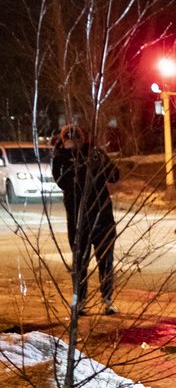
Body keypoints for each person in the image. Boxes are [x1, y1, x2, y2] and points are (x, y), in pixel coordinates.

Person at [51, 125, 120, 316]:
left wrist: (100, 166)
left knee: (105, 260)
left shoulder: (94, 154)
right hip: (78, 220)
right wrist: (80, 168)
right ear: (63, 141)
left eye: (76, 140)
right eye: (69, 140)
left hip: (102, 216)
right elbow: (63, 182)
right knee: (80, 263)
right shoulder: (60, 158)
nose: (73, 143)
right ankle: (80, 301)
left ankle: (107, 299)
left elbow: (114, 175)